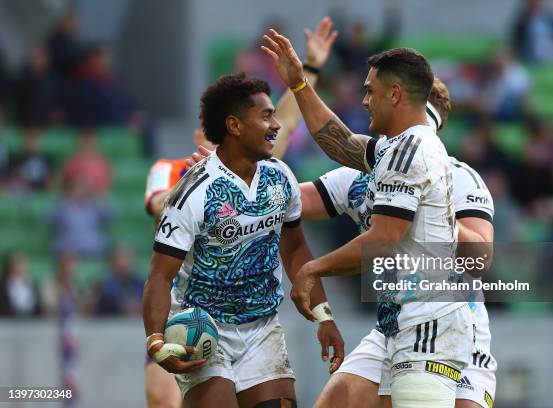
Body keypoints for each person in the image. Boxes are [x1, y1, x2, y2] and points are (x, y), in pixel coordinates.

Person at [190, 78, 497, 408]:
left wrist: (436, 211)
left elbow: (479, 258)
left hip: (453, 335)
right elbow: (283, 201)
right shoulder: (358, 178)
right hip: (391, 329)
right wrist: (229, 176)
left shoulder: (458, 177)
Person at [262, 32, 472, 407]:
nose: (364, 100)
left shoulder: (411, 152)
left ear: (394, 94)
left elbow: (384, 239)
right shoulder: (397, 148)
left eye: (370, 91)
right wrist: (297, 82)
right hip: (396, 321)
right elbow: (339, 141)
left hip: (427, 322)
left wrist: (313, 269)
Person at [143, 18, 339, 408]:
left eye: (271, 117)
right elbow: (159, 262)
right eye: (263, 118)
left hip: (263, 327)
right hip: (201, 325)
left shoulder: (276, 175)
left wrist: (324, 315)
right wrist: (155, 340)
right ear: (227, 128)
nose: (274, 127)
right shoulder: (185, 184)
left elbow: (296, 248)